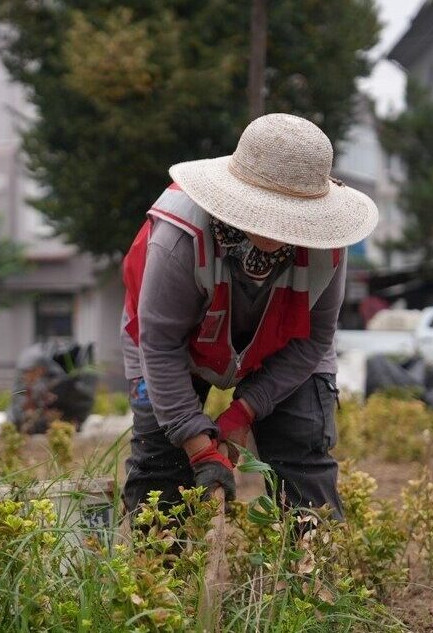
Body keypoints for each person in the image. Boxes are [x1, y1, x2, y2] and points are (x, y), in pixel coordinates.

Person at [120, 113, 378, 520]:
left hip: (283, 345)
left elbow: (314, 340)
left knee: (302, 449)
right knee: (161, 464)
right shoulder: (178, 240)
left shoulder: (328, 248)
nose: (278, 228)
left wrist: (246, 410)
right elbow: (160, 345)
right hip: (171, 346)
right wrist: (199, 444)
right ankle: (160, 577)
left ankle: (310, 576)